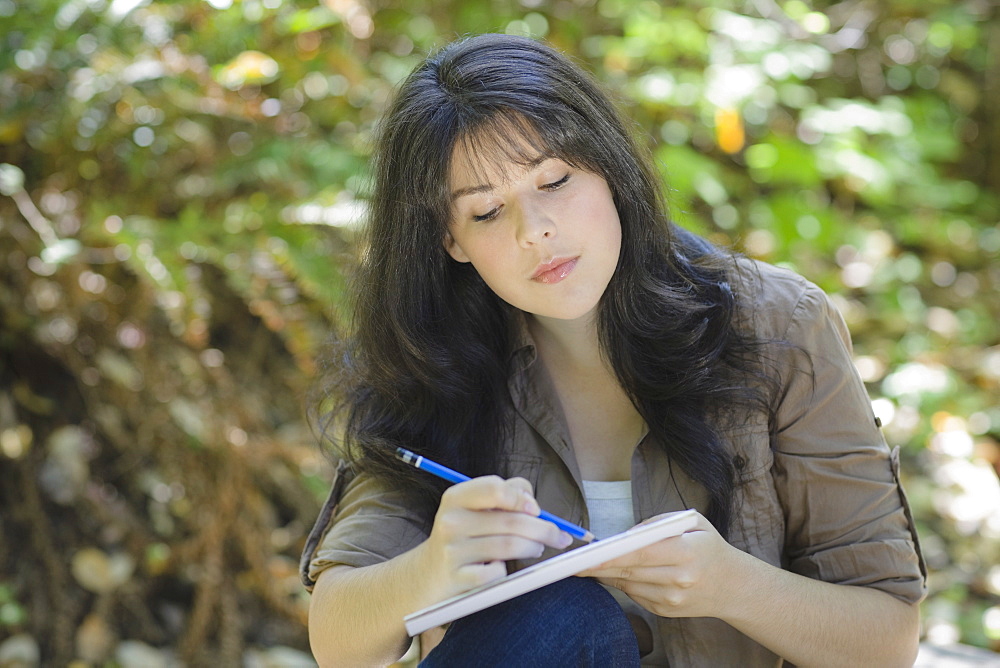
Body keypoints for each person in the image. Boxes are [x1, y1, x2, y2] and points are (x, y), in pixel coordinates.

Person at [301, 33, 926, 666]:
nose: (534, 231)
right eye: (487, 212)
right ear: (450, 241)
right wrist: (431, 565)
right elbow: (336, 640)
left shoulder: (781, 327)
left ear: (609, 168)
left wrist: (731, 585)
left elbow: (887, 641)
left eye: (555, 180)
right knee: (562, 615)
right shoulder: (434, 358)